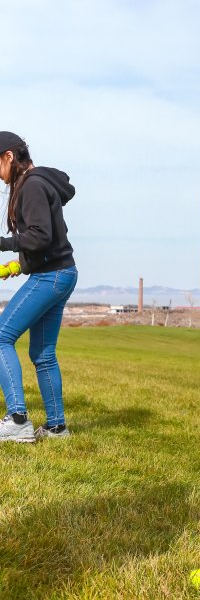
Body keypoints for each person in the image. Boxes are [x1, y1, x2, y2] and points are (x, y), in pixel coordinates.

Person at [0, 132, 78, 443]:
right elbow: (48, 240)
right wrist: (18, 265)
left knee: (1, 337)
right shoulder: (38, 181)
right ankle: (57, 428)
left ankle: (18, 420)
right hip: (61, 273)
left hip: (51, 277)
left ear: (8, 157)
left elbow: (40, 236)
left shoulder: (31, 185)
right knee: (43, 353)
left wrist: (2, 243)